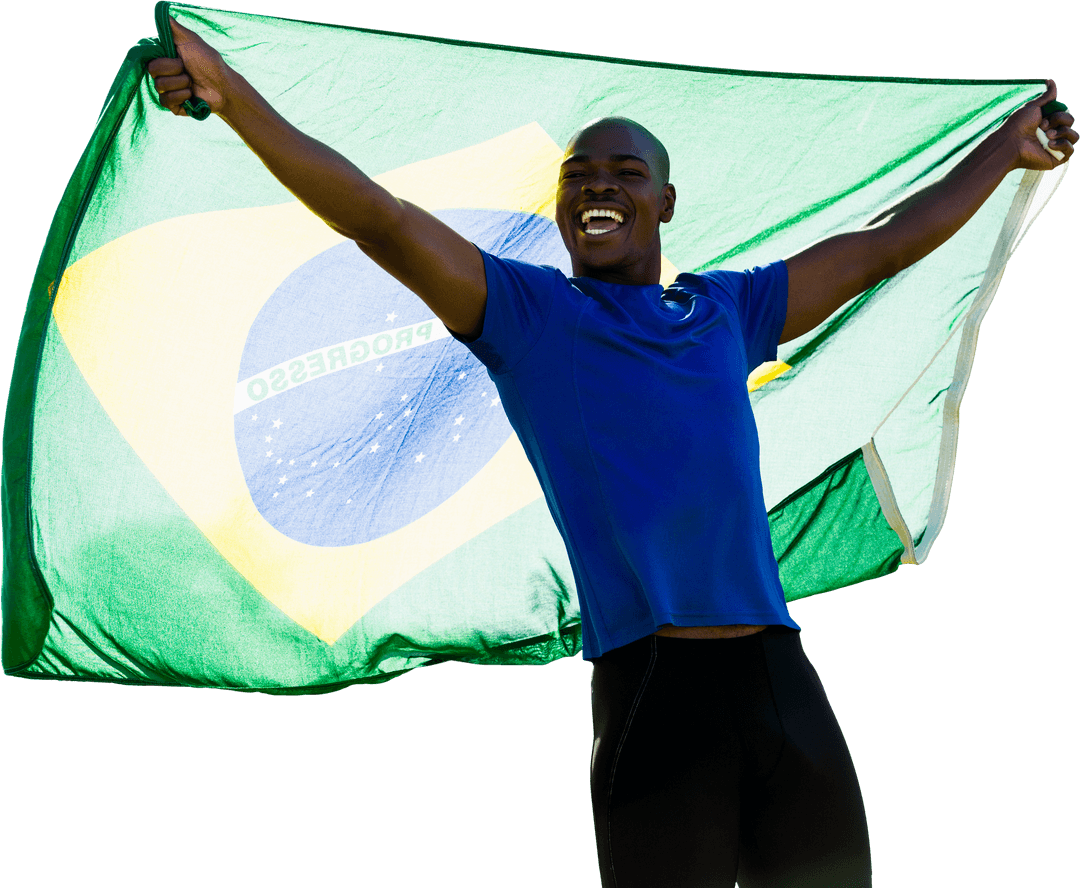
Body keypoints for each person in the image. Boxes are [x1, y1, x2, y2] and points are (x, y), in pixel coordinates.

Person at [150, 17, 1073, 888]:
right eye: (578, 176)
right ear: (559, 207)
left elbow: (881, 247)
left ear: (664, 202)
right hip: (655, 694)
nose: (599, 187)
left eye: (626, 173)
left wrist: (1007, 149)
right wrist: (235, 98)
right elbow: (380, 220)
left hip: (783, 685)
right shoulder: (528, 316)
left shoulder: (726, 311)